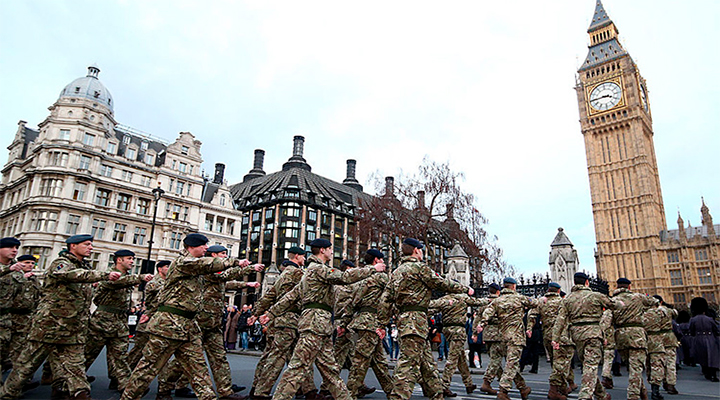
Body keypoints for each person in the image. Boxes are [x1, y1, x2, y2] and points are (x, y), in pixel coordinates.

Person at [118, 233, 249, 400]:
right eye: (203, 245)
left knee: (198, 368)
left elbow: (219, 276)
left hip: (189, 326)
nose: (206, 248)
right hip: (169, 324)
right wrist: (235, 261)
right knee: (148, 367)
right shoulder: (183, 262)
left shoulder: (197, 269)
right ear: (191, 247)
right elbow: (206, 264)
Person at [0, 234, 122, 400]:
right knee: (26, 365)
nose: (90, 247)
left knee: (76, 364)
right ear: (73, 246)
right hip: (50, 326)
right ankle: (7, 393)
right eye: (86, 244)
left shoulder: (83, 266)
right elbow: (71, 275)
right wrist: (102, 275)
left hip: (73, 327)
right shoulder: (61, 264)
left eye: (91, 244)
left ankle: (78, 392)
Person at [264, 238, 384, 400]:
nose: (331, 251)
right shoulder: (318, 269)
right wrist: (372, 269)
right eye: (329, 249)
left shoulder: (310, 272)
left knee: (331, 371)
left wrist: (270, 313)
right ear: (322, 250)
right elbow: (344, 277)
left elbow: (291, 296)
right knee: (298, 368)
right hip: (315, 324)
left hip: (321, 325)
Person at [156, 244, 262, 400]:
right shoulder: (205, 270)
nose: (225, 256)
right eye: (222, 254)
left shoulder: (215, 272)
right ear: (213, 256)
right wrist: (249, 269)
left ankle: (226, 391)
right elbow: (222, 277)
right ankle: (166, 386)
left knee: (219, 357)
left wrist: (246, 284)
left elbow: (225, 283)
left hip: (213, 323)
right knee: (185, 360)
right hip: (199, 322)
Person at [379, 238, 472, 400]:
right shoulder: (420, 269)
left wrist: (382, 323)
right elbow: (441, 283)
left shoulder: (396, 272)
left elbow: (385, 299)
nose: (422, 252)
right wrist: (465, 289)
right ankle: (398, 397)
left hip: (405, 321)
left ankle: (437, 394)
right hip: (417, 321)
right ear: (416, 250)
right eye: (421, 250)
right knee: (408, 365)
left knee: (428, 364)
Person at [248, 246, 316, 400]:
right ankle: (261, 392)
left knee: (294, 357)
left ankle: (307, 390)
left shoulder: (283, 274)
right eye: (303, 257)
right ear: (297, 257)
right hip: (289, 320)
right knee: (279, 358)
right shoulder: (298, 273)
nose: (304, 260)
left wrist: (255, 313)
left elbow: (269, 296)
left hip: (280, 321)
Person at [83, 249, 152, 392]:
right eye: (129, 258)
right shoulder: (110, 275)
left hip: (120, 321)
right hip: (102, 321)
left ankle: (123, 383)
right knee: (88, 354)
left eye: (133, 259)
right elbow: (118, 282)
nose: (132, 261)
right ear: (119, 260)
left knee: (119, 355)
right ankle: (69, 381)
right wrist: (141, 278)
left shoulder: (126, 277)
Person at [551, 272, 620, 400]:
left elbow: (560, 321)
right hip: (593, 333)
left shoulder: (568, 299)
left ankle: (601, 394)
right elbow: (616, 305)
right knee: (590, 365)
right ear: (587, 282)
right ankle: (585, 396)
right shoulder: (596, 296)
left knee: (589, 364)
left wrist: (555, 339)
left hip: (577, 336)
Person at [477, 277, 537, 400]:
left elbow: (487, 313)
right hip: (516, 336)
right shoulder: (519, 298)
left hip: (503, 337)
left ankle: (523, 388)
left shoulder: (497, 301)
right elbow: (535, 303)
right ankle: (503, 390)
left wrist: (481, 325)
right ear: (513, 286)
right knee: (512, 363)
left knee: (512, 363)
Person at [346, 249, 394, 399]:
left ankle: (392, 391)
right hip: (372, 321)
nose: (384, 263)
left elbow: (350, 301)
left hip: (362, 319)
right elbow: (393, 292)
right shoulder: (379, 276)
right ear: (376, 261)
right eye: (382, 260)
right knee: (361, 361)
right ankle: (349, 393)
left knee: (379, 361)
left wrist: (345, 322)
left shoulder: (359, 276)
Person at [429, 288, 489, 396]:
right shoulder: (463, 298)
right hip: (458, 330)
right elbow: (477, 302)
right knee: (452, 359)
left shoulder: (444, 299)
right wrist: (489, 300)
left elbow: (432, 310)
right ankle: (444, 386)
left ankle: (468, 383)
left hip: (447, 330)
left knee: (460, 357)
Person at [611, 277, 659, 400]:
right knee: (636, 368)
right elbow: (655, 301)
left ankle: (643, 392)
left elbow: (607, 319)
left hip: (621, 336)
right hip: (636, 335)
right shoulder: (638, 297)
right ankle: (633, 396)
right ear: (629, 287)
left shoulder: (613, 300)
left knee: (632, 367)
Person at [528, 281, 575, 399]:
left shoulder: (542, 302)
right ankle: (553, 390)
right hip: (562, 336)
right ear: (558, 291)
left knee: (556, 362)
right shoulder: (563, 302)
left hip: (547, 335)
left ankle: (562, 387)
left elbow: (532, 314)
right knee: (562, 363)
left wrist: (529, 328)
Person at [128, 260, 171, 369]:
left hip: (161, 319)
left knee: (161, 351)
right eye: (167, 267)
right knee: (138, 351)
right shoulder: (154, 283)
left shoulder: (169, 282)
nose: (169, 269)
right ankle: (122, 375)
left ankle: (163, 382)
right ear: (160, 269)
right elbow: (153, 302)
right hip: (149, 319)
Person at [6, 254, 42, 366]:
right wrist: (22, 279)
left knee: (21, 346)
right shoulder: (11, 275)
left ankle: (17, 377)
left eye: (32, 263)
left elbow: (39, 294)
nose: (30, 265)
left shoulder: (34, 278)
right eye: (27, 262)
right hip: (11, 315)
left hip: (27, 316)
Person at [644, 295, 680, 396]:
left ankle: (658, 383)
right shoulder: (667, 310)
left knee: (657, 363)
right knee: (670, 362)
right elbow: (676, 313)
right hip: (668, 338)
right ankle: (671, 384)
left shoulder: (647, 313)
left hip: (654, 339)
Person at [0, 237, 26, 373]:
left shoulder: (18, 269)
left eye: (16, 248)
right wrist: (7, 270)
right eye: (10, 247)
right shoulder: (10, 268)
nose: (14, 250)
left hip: (8, 317)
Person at [474, 283, 504, 395]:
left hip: (487, 334)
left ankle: (504, 383)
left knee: (495, 359)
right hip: (498, 334)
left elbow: (477, 319)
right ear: (498, 291)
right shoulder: (500, 301)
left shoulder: (484, 303)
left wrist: (475, 333)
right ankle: (487, 382)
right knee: (496, 359)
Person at [689, 297, 720, 382]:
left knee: (702, 356)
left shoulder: (693, 320)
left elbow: (691, 330)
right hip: (710, 338)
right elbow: (716, 329)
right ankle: (713, 374)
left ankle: (706, 372)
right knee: (713, 356)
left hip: (698, 338)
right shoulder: (709, 319)